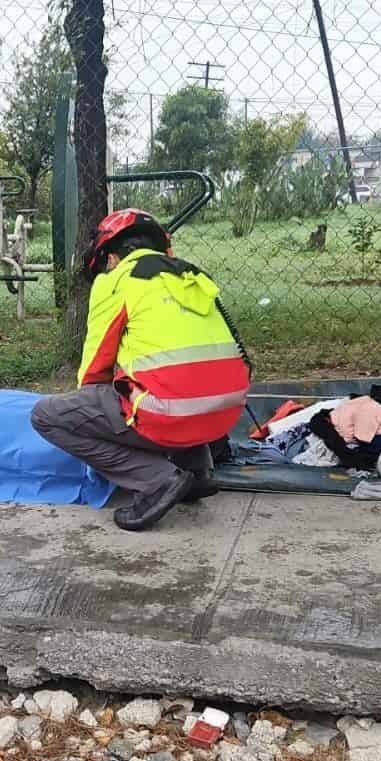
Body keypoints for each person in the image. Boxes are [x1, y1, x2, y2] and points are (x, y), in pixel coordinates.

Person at [31, 209, 251, 531]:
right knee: (175, 382)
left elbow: (94, 371)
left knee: (47, 416)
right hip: (225, 415)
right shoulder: (193, 276)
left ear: (109, 257)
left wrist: (94, 417)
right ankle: (199, 471)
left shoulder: (117, 280)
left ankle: (156, 481)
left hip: (172, 414)